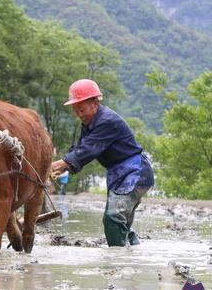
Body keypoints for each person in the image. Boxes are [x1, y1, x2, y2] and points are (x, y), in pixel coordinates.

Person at [51, 79, 154, 246]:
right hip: (120, 173)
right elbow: (79, 148)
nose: (80, 114)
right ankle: (132, 255)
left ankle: (116, 261)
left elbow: (87, 150)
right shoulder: (89, 124)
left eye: (82, 109)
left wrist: (56, 165)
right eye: (76, 111)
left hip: (134, 171)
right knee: (121, 224)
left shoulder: (107, 121)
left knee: (113, 217)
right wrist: (61, 168)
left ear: (95, 103)